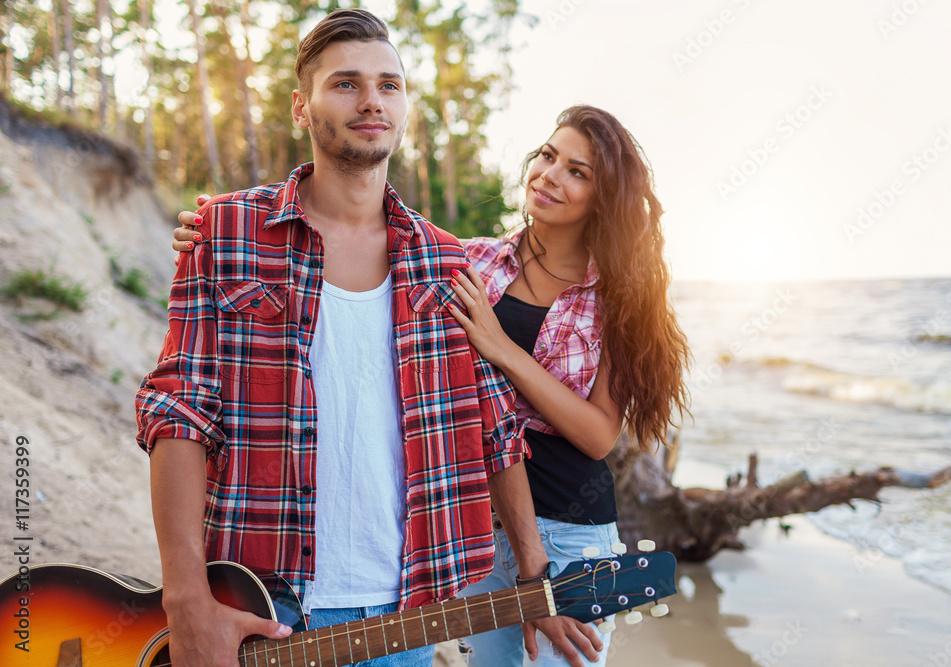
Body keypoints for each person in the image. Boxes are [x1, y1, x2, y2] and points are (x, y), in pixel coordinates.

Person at [137, 9, 602, 667]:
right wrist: (184, 599)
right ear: (302, 106)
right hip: (260, 600)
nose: (372, 101)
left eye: (389, 85)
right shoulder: (229, 233)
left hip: (402, 615)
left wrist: (533, 572)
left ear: (406, 106)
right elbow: (179, 413)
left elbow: (495, 429)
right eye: (346, 83)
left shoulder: (445, 263)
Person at [173, 104, 690, 667]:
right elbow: (356, 258)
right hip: (473, 525)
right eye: (548, 155)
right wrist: (218, 231)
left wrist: (501, 349)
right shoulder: (470, 262)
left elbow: (596, 436)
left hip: (569, 534)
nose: (549, 175)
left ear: (604, 198)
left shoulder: (616, 299)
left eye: (578, 171)